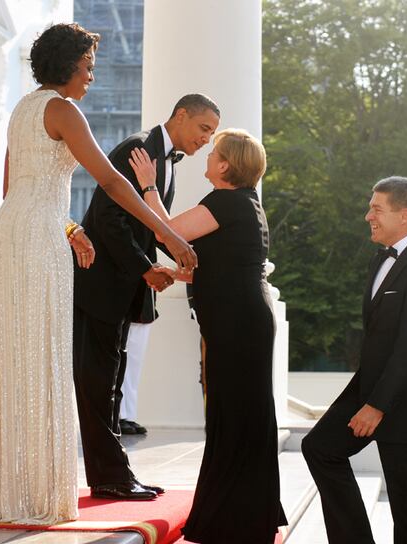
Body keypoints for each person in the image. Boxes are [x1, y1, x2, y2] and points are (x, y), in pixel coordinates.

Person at [0, 23, 196, 526]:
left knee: (24, 356)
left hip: (12, 230)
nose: (92, 77)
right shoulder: (62, 109)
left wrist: (70, 228)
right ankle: (38, 491)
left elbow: (14, 188)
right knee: (46, 357)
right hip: (37, 236)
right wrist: (169, 236)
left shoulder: (23, 108)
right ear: (67, 66)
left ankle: (20, 488)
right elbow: (112, 181)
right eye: (88, 67)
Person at [129, 128, 287, 542]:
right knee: (236, 413)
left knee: (234, 413)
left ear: (226, 165)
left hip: (238, 322)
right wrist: (176, 273)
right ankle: (242, 512)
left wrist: (148, 185)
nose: (208, 155)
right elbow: (218, 264)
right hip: (241, 319)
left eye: (214, 152)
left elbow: (166, 232)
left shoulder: (226, 201)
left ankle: (235, 516)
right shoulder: (243, 203)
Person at [74, 93, 219, 500]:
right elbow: (108, 219)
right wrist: (145, 267)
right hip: (101, 285)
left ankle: (117, 474)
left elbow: (148, 228)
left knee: (112, 383)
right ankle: (110, 478)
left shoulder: (165, 161)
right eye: (203, 128)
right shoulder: (137, 150)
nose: (206, 139)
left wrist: (175, 263)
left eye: (212, 134)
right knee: (98, 384)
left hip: (124, 289)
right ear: (180, 115)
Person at [300, 176, 407, 543]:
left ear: (404, 215)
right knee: (319, 448)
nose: (368, 215)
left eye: (376, 209)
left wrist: (377, 406)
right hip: (371, 387)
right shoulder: (380, 258)